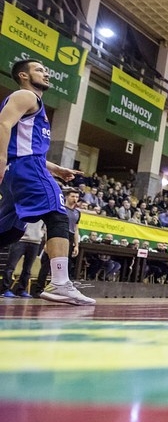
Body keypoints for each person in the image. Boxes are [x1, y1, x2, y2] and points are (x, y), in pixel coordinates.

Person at [0, 59, 91, 305]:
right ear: (23, 75)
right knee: (57, 214)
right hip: (25, 168)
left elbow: (23, 146)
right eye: (39, 70)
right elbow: (3, 125)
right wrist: (0, 160)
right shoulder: (25, 96)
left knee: (9, 230)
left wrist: (55, 168)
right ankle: (60, 283)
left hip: (22, 168)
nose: (46, 74)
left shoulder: (31, 104)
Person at [34, 187, 81, 294]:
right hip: (57, 234)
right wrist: (47, 242)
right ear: (66, 197)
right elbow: (49, 225)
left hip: (69, 237)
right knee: (47, 263)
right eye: (73, 196)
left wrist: (76, 245)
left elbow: (76, 229)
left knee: (64, 264)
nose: (75, 198)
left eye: (77, 197)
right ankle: (38, 289)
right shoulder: (60, 209)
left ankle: (59, 289)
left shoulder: (77, 213)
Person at [2, 220, 44, 297]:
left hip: (36, 242)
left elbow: (45, 226)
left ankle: (21, 290)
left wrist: (41, 234)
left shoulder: (42, 213)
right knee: (11, 266)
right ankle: (5, 290)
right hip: (19, 240)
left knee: (27, 269)